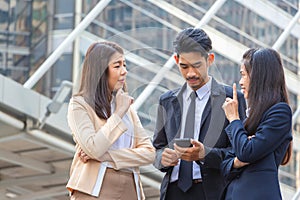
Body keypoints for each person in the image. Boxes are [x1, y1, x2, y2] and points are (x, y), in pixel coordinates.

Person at [152, 27, 247, 200]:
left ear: (209, 59)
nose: (191, 73)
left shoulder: (231, 99)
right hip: (172, 193)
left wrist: (205, 154)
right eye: (184, 66)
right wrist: (162, 158)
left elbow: (241, 152)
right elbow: (157, 149)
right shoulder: (167, 101)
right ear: (176, 60)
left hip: (212, 193)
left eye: (197, 65)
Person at [66, 41, 155, 200]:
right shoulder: (79, 105)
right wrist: (119, 113)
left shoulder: (129, 108)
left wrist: (108, 156)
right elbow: (94, 148)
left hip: (131, 190)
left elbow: (149, 153)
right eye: (117, 66)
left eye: (124, 65)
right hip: (94, 189)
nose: (124, 71)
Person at [221, 48, 293, 200]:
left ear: (259, 77)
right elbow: (225, 163)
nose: (240, 82)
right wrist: (236, 161)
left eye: (244, 75)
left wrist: (234, 119)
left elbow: (246, 152)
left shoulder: (280, 112)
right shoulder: (249, 116)